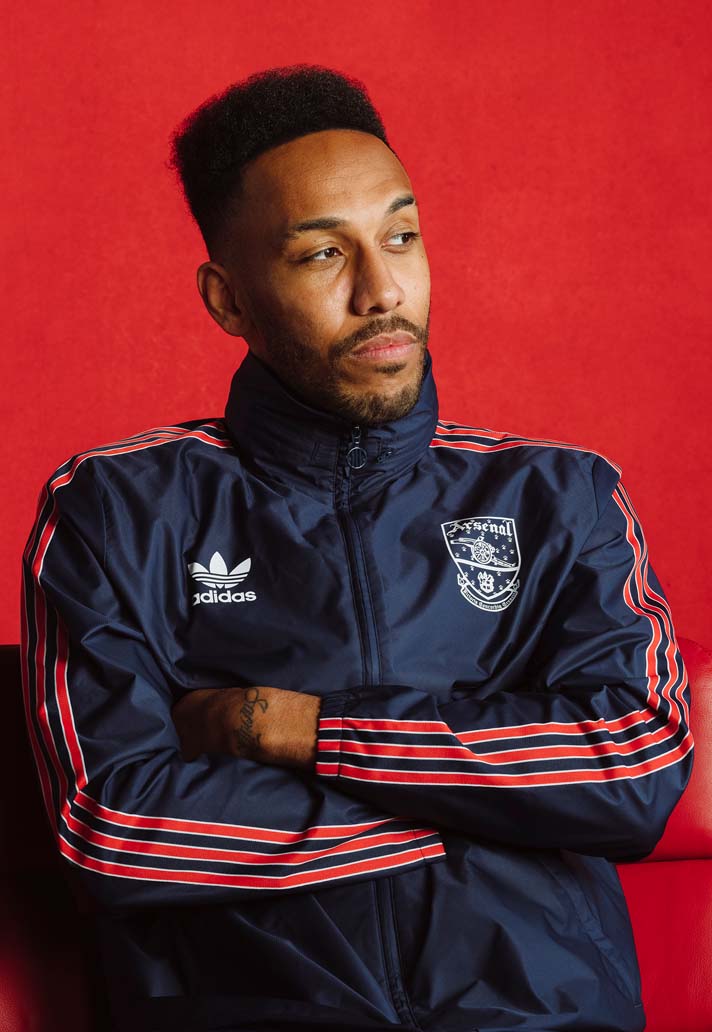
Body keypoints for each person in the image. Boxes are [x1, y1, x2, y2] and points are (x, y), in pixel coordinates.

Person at [21, 65, 693, 1032]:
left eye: (401, 237)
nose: (383, 291)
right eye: (322, 255)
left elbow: (633, 771)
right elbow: (116, 831)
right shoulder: (118, 506)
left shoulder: (559, 494)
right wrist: (499, 799)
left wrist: (293, 729)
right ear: (228, 300)